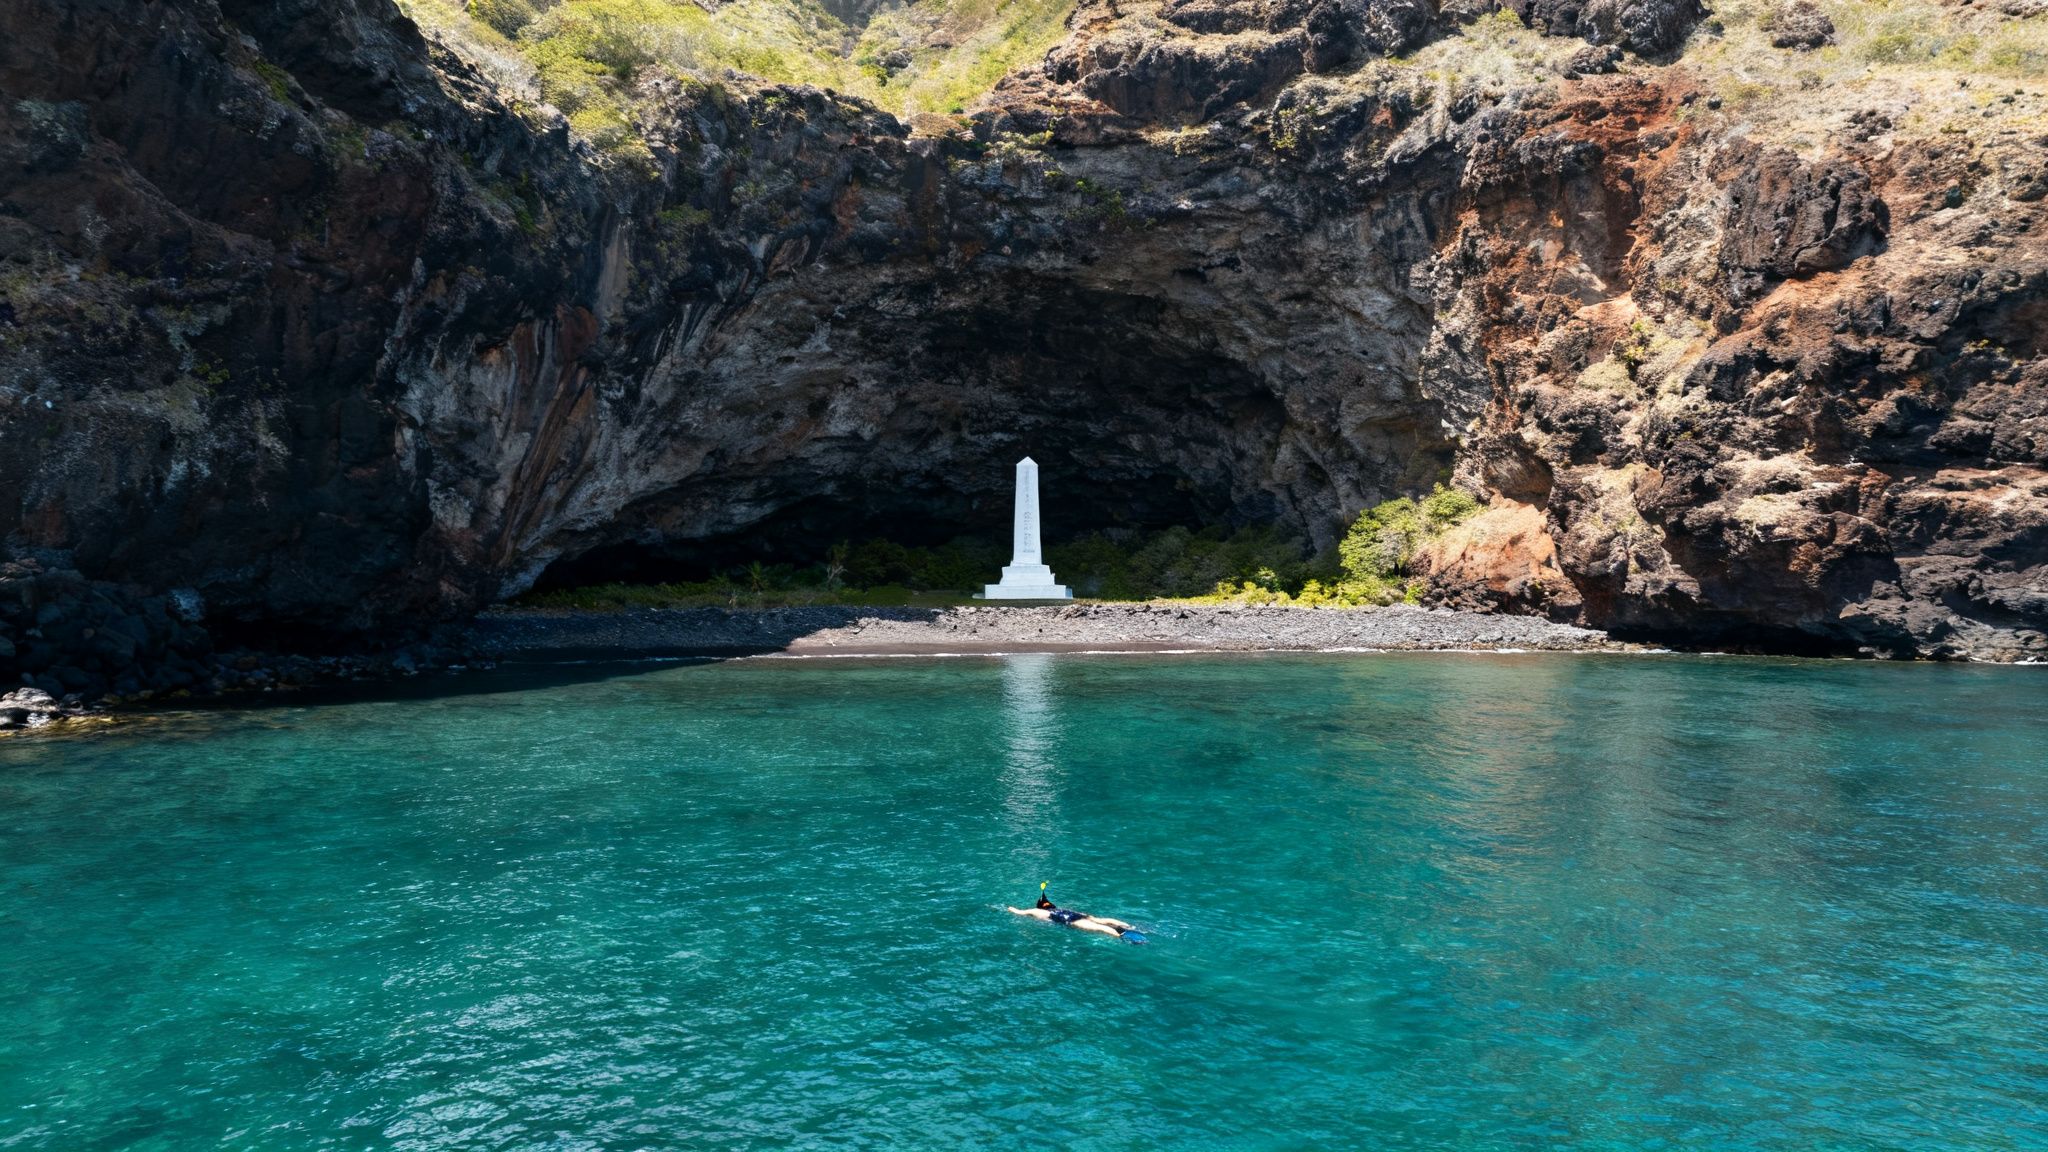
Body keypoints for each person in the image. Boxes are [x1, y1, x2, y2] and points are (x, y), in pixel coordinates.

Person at [1008, 884, 1141, 940]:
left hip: (1073, 921)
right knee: (1101, 920)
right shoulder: (1056, 908)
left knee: (1099, 928)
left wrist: (1008, 908)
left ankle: (1120, 936)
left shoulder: (1038, 912)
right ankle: (1128, 926)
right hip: (1079, 915)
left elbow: (1019, 912)